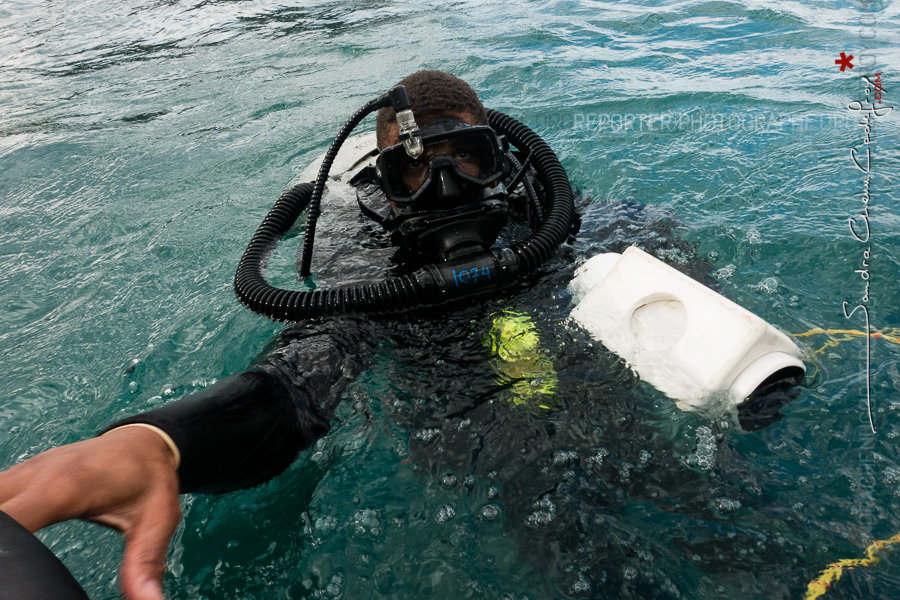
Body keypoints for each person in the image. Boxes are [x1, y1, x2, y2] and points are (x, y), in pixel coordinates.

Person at [0, 70, 800, 600]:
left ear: (506, 161)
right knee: (556, 525)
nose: (446, 184)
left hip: (558, 332)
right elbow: (299, 379)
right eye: (416, 168)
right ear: (383, 185)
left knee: (678, 478)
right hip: (443, 376)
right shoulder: (367, 257)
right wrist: (163, 444)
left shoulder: (544, 212)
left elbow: (647, 239)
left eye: (468, 159)